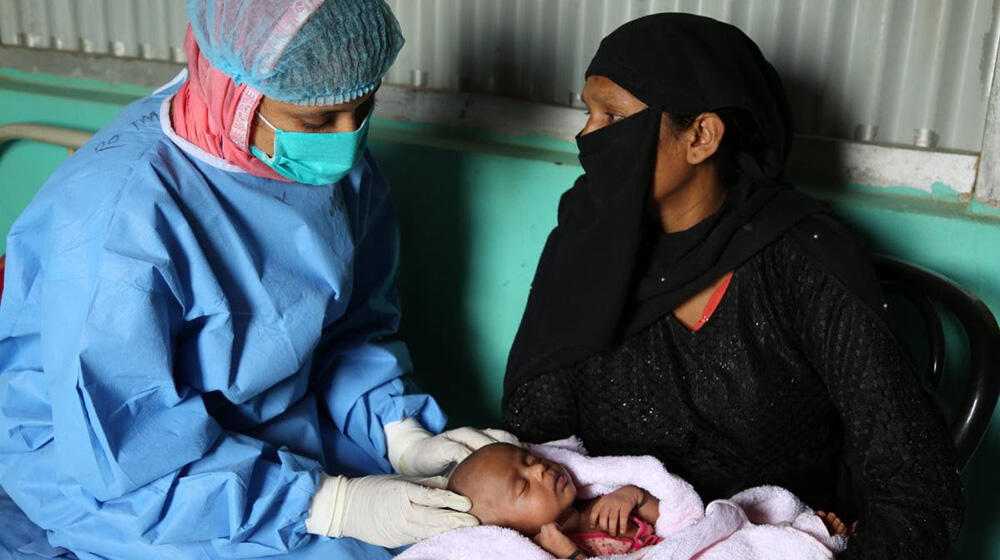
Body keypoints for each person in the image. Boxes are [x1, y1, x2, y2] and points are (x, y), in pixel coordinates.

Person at [0, 1, 516, 559]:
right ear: (235, 93)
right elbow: (122, 444)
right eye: (317, 122)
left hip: (274, 428)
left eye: (363, 108)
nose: (345, 141)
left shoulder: (339, 172)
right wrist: (331, 506)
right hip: (128, 478)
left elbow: (351, 332)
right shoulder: (118, 221)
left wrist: (399, 431)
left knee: (452, 520)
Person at [501, 13, 963, 559]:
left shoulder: (801, 262)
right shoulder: (584, 245)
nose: (586, 135)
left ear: (701, 136)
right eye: (588, 112)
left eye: (613, 116)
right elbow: (538, 444)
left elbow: (915, 491)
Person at [446, 442, 851, 559]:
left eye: (531, 460)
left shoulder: (597, 503)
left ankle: (800, 538)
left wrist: (634, 495)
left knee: (749, 520)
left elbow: (683, 524)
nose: (539, 471)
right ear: (503, 528)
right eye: (522, 486)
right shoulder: (539, 552)